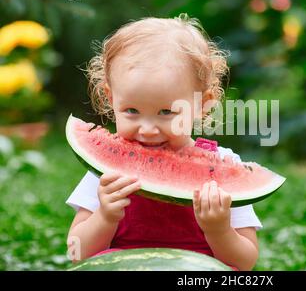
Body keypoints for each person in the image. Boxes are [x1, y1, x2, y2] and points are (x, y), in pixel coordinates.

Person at [66, 15, 262, 271]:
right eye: (132, 110)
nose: (147, 130)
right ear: (110, 98)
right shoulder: (104, 176)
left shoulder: (224, 168)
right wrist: (104, 216)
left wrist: (219, 230)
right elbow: (76, 253)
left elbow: (245, 263)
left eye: (167, 112)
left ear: (203, 105)